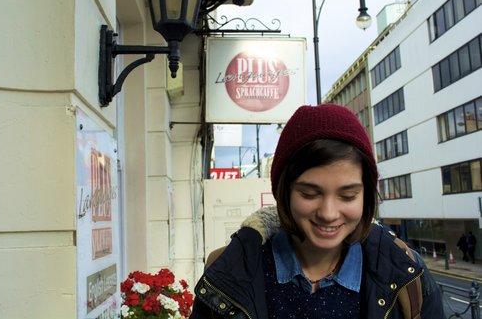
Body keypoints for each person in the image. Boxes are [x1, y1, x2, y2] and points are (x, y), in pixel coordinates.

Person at [190, 104, 444, 319]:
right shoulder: (230, 268)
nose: (329, 213)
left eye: (348, 195)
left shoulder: (405, 270)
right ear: (283, 192)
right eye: (310, 194)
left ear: (366, 195)